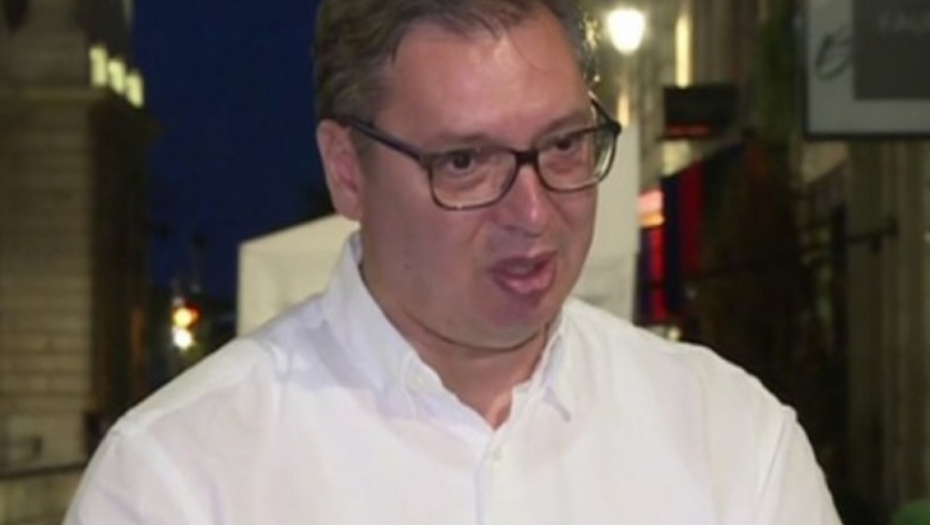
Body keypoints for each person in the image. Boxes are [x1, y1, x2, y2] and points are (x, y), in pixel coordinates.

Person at [64, 0, 843, 523]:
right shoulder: (176, 478)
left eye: (564, 145)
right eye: (466, 161)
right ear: (346, 170)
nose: (533, 211)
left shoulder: (735, 441)